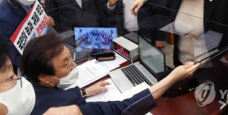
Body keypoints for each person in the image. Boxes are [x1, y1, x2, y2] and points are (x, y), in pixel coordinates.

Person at [22, 34, 200, 115]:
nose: (74, 64)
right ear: (43, 76)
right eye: (66, 63)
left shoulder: (29, 89)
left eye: (70, 57)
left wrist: (84, 92)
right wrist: (173, 77)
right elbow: (124, 107)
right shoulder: (68, 109)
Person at [0, 36, 83, 115]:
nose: (19, 81)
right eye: (10, 78)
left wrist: (84, 92)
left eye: (15, 75)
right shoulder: (65, 103)